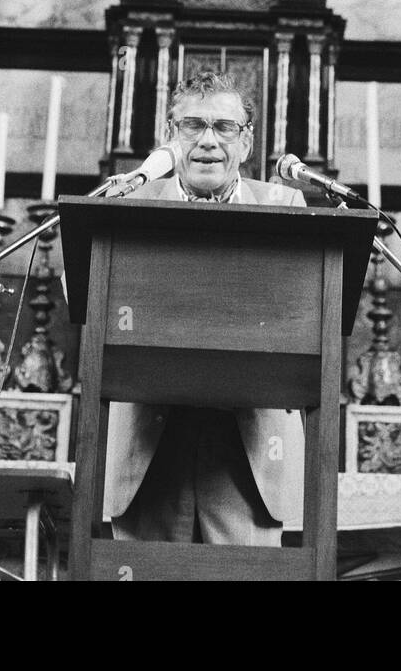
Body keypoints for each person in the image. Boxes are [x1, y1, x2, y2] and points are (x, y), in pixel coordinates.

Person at [102, 70, 306, 544]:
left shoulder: (287, 206)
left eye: (224, 127)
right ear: (171, 138)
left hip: (248, 443)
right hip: (149, 440)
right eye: (192, 126)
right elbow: (85, 297)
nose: (208, 141)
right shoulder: (128, 201)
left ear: (247, 143)